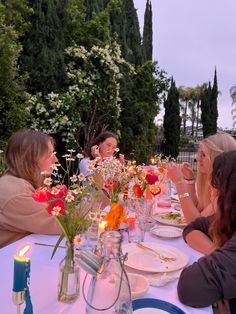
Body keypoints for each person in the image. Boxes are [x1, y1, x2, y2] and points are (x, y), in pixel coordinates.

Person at [177, 150, 236, 313]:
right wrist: (216, 252)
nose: (210, 184)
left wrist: (179, 184)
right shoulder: (227, 217)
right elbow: (193, 226)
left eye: (216, 179)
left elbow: (190, 287)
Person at [0, 129, 61, 248]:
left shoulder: (24, 182)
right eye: (49, 155)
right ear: (30, 159)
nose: (56, 161)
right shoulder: (17, 193)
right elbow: (61, 224)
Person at [167, 133, 236, 223]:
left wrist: (179, 183)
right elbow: (198, 210)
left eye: (203, 154)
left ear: (217, 157)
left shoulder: (225, 193)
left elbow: (195, 225)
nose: (198, 158)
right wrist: (189, 180)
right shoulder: (214, 184)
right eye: (199, 153)